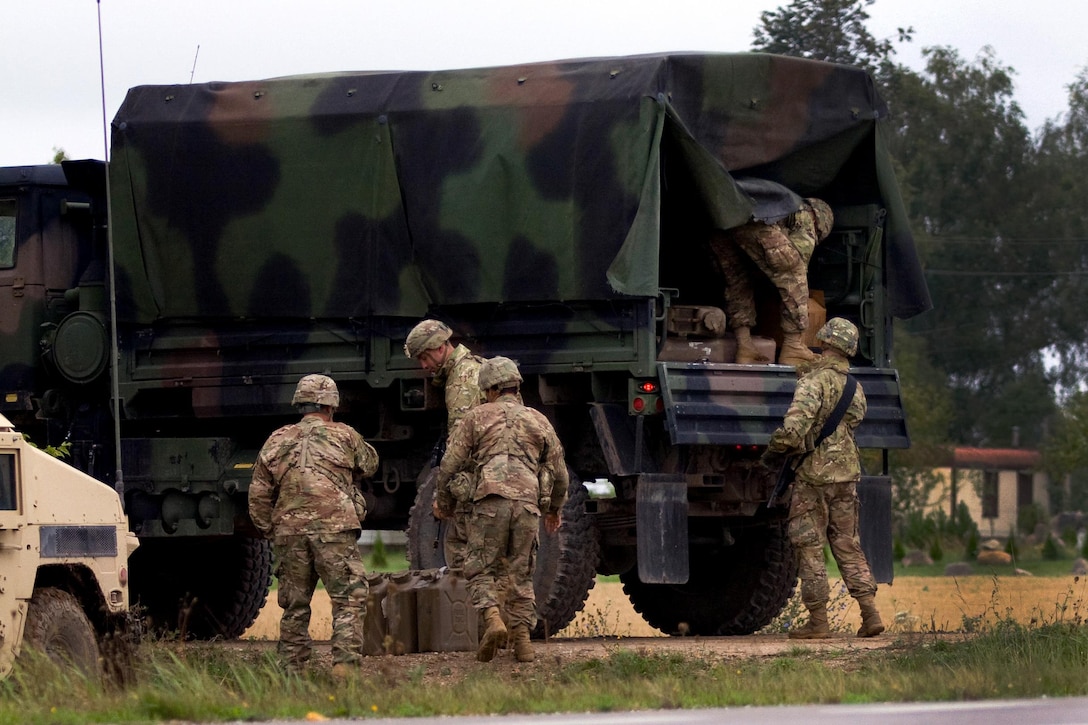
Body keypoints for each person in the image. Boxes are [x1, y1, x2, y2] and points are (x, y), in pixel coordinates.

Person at [434, 356, 568, 663]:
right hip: (527, 504)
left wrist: (445, 504)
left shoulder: (477, 417)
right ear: (516, 385)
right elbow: (559, 473)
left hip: (489, 501)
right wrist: (554, 510)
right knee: (521, 573)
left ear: (489, 388)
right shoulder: (538, 419)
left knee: (480, 568)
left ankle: (493, 619)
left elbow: (448, 466)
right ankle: (522, 642)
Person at [760, 318, 885, 639]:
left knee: (809, 546)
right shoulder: (855, 388)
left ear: (825, 343)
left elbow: (793, 431)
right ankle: (870, 614)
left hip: (813, 477)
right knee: (847, 543)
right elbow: (855, 422)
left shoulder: (812, 383)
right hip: (847, 475)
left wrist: (771, 453)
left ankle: (819, 623)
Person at [249, 374, 379, 675]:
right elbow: (370, 464)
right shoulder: (345, 435)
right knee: (349, 598)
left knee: (294, 607)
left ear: (300, 404)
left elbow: (258, 493)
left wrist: (271, 528)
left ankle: (292, 672)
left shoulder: (277, 438)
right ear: (331, 406)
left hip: (289, 533)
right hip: (334, 531)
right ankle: (344, 666)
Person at [708, 198, 834, 367]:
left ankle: (744, 346)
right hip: (754, 222)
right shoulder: (807, 215)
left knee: (738, 281)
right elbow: (791, 266)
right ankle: (793, 347)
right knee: (794, 270)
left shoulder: (783, 206)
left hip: (722, 223)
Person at [403, 319, 486, 568]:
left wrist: (444, 495)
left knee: (461, 552)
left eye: (424, 357)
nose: (424, 365)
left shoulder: (462, 380)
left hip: (481, 480)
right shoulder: (476, 367)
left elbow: (461, 446)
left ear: (440, 348)